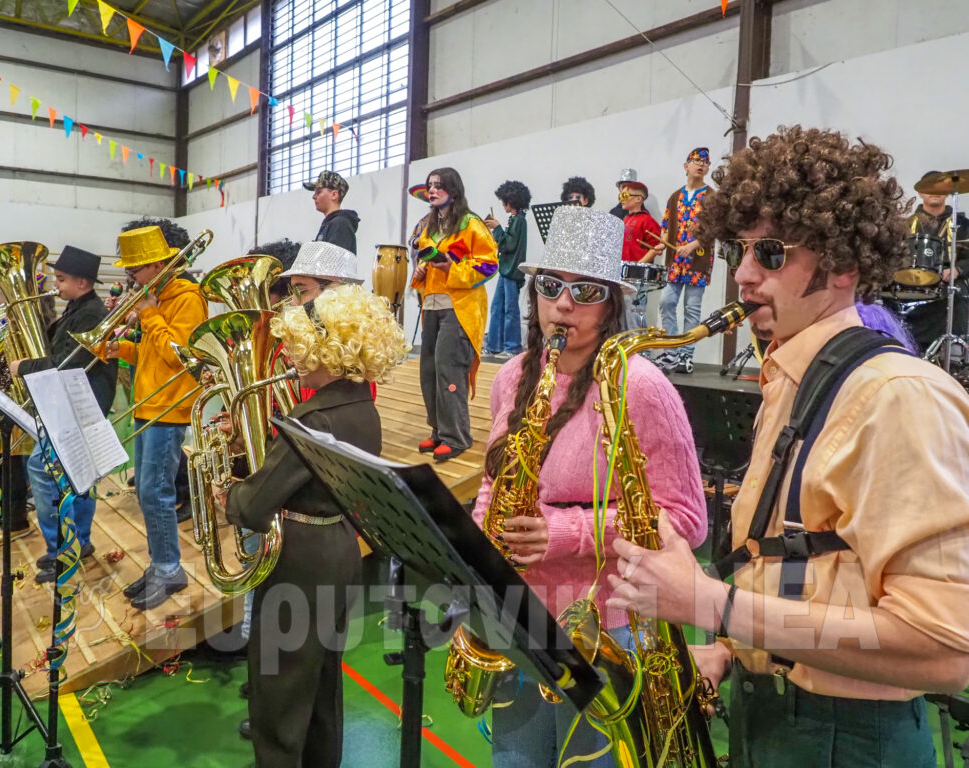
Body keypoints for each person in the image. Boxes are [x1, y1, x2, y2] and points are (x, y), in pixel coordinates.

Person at [607, 126, 969, 768]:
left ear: (843, 265)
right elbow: (815, 571)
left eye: (771, 254)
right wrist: (732, 651)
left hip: (850, 738)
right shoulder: (794, 378)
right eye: (739, 250)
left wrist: (710, 605)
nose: (744, 275)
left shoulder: (897, 396)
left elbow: (945, 651)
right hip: (777, 712)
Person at [473, 205, 707, 767]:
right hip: (518, 617)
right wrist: (479, 549)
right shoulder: (513, 375)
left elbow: (686, 519)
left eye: (585, 291)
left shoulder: (641, 386)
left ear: (611, 305)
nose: (563, 304)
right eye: (550, 286)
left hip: (605, 627)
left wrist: (565, 532)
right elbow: (494, 479)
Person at [220, 284, 408, 768]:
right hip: (339, 548)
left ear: (330, 351)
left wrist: (226, 492)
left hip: (298, 561)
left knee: (278, 694)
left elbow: (253, 507)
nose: (292, 356)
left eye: (302, 347)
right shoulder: (361, 408)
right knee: (322, 684)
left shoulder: (314, 420)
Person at [105, 225, 208, 610]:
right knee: (147, 492)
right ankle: (159, 563)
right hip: (148, 404)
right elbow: (152, 354)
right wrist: (121, 349)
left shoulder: (187, 298)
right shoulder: (158, 298)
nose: (132, 278)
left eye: (136, 270)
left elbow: (179, 357)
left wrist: (148, 315)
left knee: (156, 491)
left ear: (159, 265)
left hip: (169, 408)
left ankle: (169, 568)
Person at [9, 246, 117, 583]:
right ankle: (77, 542)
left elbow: (69, 363)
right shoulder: (78, 308)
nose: (55, 284)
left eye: (61, 278)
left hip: (80, 406)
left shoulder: (91, 314)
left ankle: (63, 548)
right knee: (77, 477)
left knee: (42, 470)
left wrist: (24, 366)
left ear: (82, 282)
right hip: (71, 404)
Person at [410, 167, 498, 462]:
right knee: (429, 370)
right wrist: (422, 269)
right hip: (432, 305)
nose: (432, 190)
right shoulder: (429, 226)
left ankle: (456, 436)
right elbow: (427, 258)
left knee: (448, 369)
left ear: (454, 190)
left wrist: (453, 268)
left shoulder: (471, 223)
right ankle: (438, 431)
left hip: (460, 307)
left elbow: (489, 265)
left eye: (438, 185)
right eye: (430, 186)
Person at [882, 171, 969, 353]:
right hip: (910, 284)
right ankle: (897, 346)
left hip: (947, 284)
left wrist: (958, 270)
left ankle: (953, 353)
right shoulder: (905, 224)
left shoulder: (963, 225)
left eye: (939, 188)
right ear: (920, 192)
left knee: (958, 294)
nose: (934, 192)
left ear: (947, 192)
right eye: (929, 187)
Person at [655, 146, 712, 374]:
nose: (702, 165)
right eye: (697, 161)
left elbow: (714, 229)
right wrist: (662, 243)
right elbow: (666, 226)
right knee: (666, 302)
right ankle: (671, 351)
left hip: (698, 261)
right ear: (686, 166)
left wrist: (692, 245)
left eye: (706, 162)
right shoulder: (675, 196)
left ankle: (686, 356)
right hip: (675, 262)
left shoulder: (711, 197)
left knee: (691, 308)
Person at [484, 180, 531, 359]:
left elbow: (509, 245)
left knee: (510, 310)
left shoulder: (520, 221)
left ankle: (512, 347)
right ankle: (494, 345)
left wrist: (497, 228)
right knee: (497, 307)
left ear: (512, 201)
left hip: (511, 272)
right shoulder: (515, 219)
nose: (503, 204)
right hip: (506, 271)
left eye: (505, 201)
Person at [619, 180, 662, 330]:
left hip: (637, 275)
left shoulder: (647, 221)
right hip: (623, 273)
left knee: (636, 312)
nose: (622, 199)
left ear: (638, 199)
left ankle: (639, 343)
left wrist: (638, 265)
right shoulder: (626, 220)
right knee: (623, 312)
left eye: (625, 195)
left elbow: (656, 247)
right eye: (621, 195)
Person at [303, 170, 360, 254]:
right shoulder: (330, 224)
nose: (314, 196)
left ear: (334, 195)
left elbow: (334, 260)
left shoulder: (340, 224)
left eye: (319, 192)